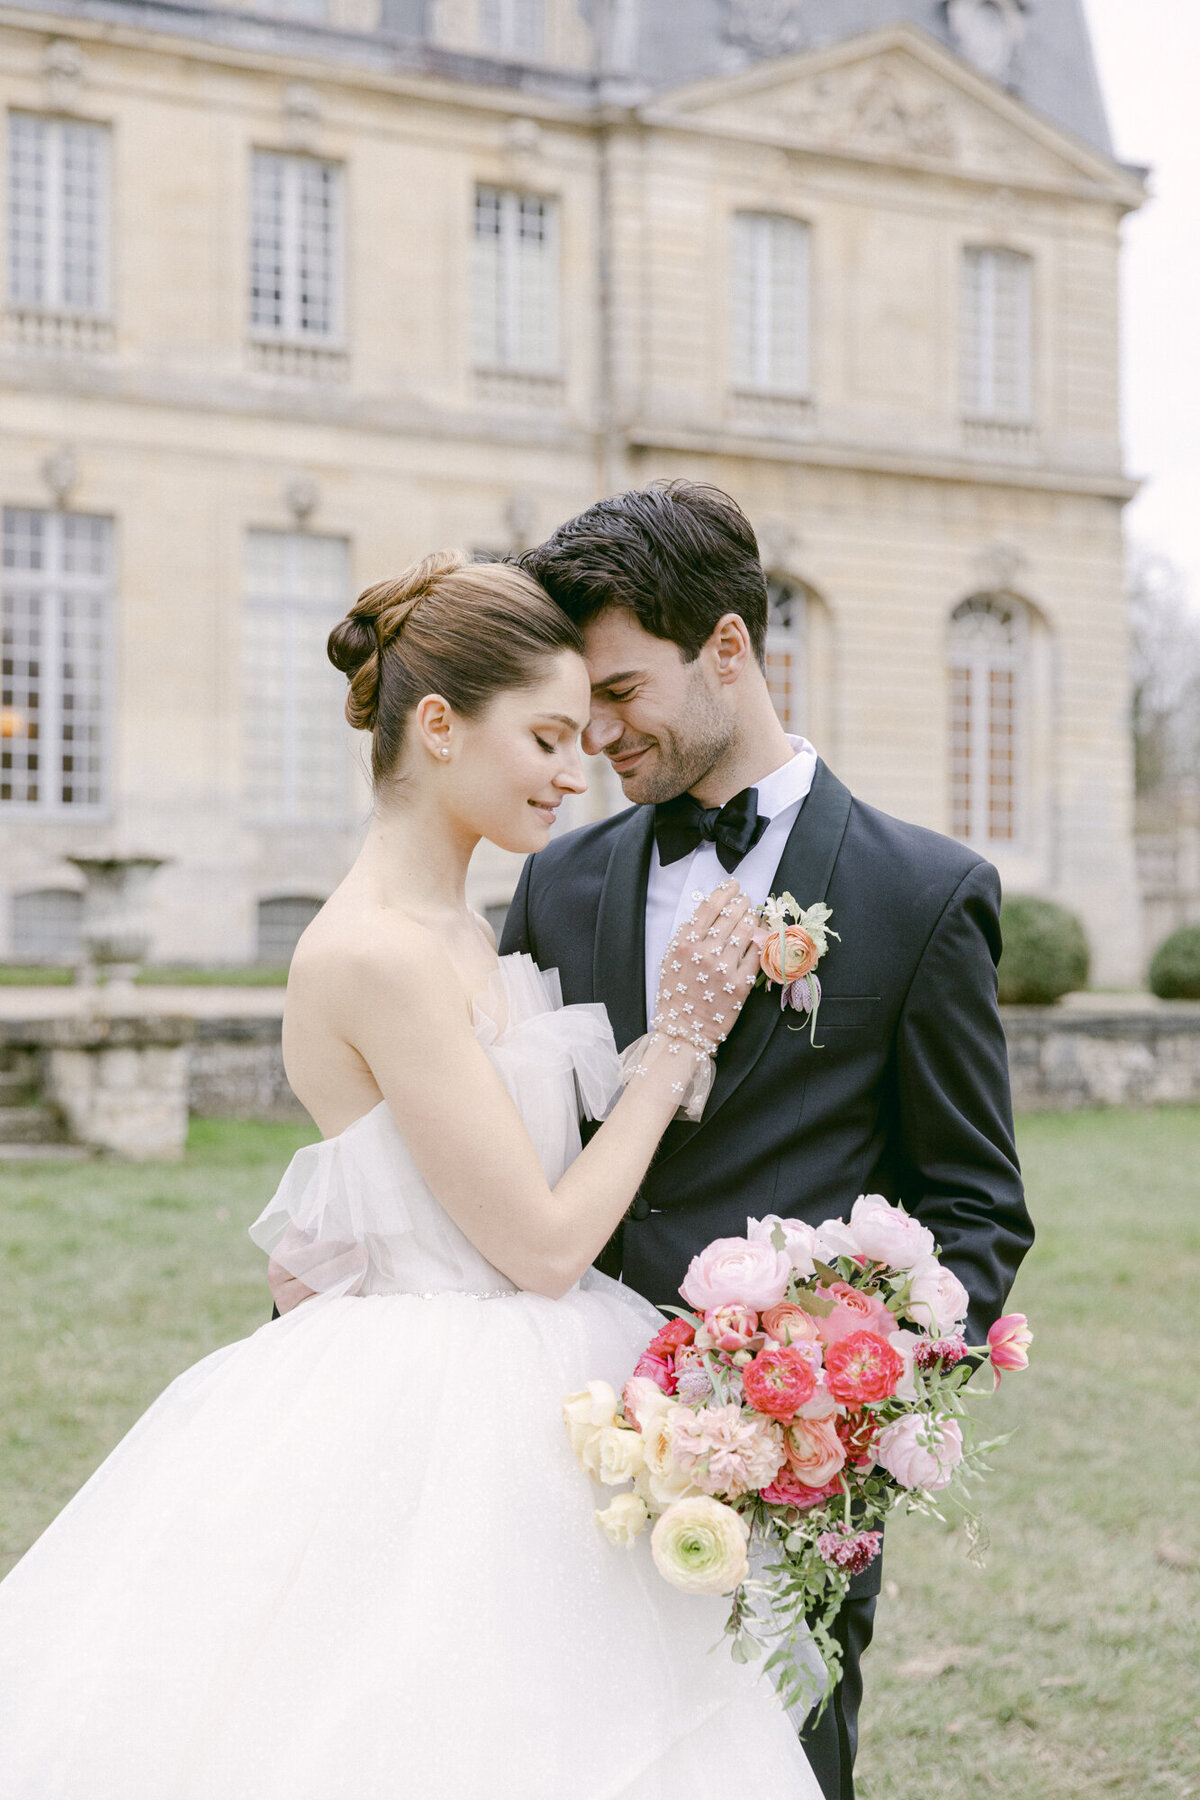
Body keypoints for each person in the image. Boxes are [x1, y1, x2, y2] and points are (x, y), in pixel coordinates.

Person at [0, 551, 826, 1799]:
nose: (576, 765)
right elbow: (542, 1249)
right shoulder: (379, 952)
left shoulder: (464, 925)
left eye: (586, 732)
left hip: (544, 1381)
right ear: (437, 726)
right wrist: (680, 1046)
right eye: (546, 735)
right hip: (446, 1414)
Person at [505, 480, 1036, 1800]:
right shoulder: (556, 884)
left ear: (728, 649)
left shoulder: (921, 896)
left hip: (790, 1485)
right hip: (558, 1441)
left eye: (622, 691)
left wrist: (843, 1420)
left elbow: (974, 1208)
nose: (597, 734)